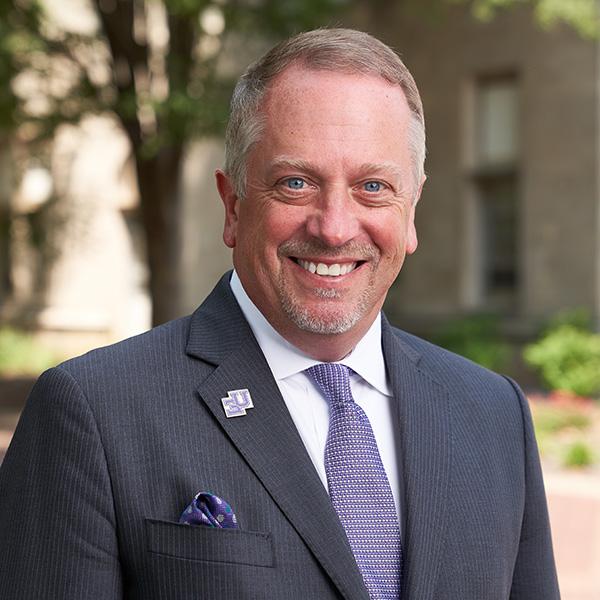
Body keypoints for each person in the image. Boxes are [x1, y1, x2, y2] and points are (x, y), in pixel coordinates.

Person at [0, 28, 559, 600]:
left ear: (411, 209)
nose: (335, 227)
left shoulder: (493, 416)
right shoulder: (93, 414)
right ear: (233, 205)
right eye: (296, 183)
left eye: (372, 187)